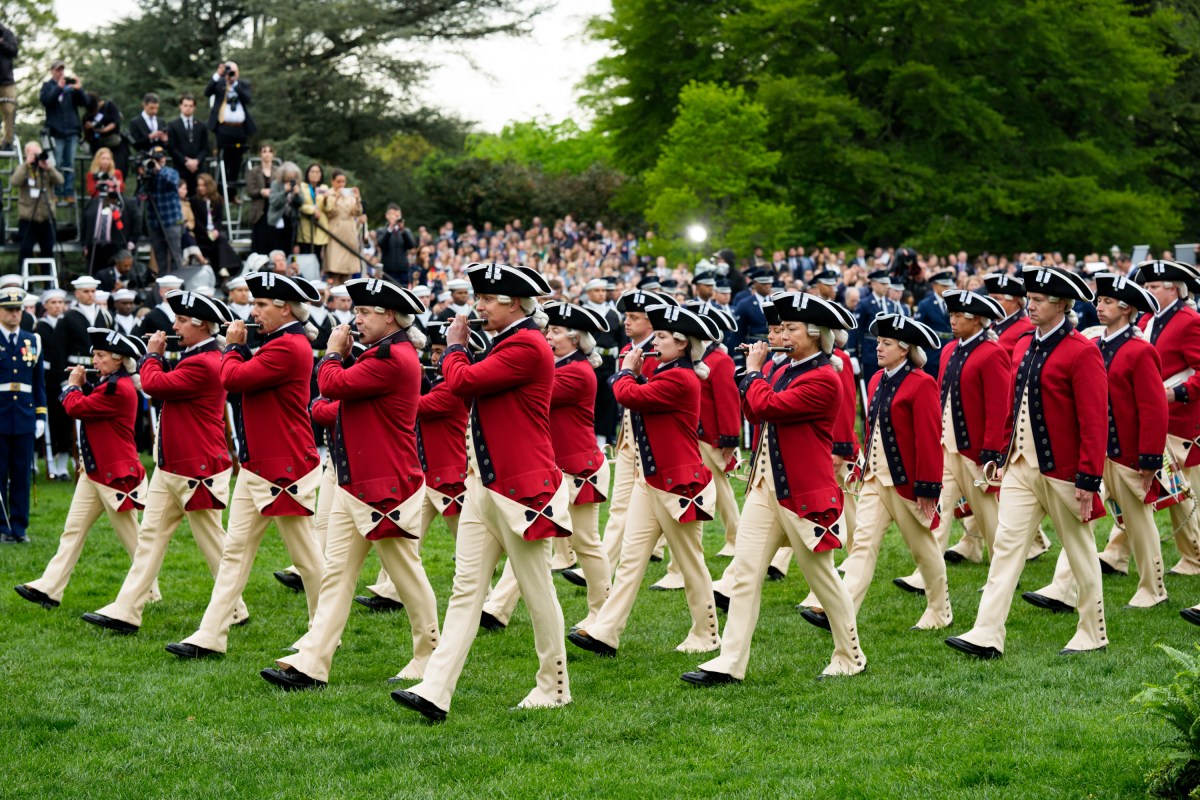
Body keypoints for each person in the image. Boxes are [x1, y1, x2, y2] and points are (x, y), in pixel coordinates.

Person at [392, 262, 573, 722]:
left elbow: (462, 382)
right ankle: (436, 689)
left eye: (487, 300)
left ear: (513, 302)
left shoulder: (528, 345)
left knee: (537, 591)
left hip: (521, 490)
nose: (478, 307)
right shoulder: (510, 343)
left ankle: (554, 686)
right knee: (465, 589)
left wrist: (454, 346)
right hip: (487, 485)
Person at [260, 279, 440, 690]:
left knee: (406, 576)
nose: (355, 319)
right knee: (337, 574)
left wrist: (332, 353)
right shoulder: (382, 352)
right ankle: (312, 662)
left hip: (384, 486)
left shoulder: (394, 357)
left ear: (389, 316)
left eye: (365, 312)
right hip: (357, 482)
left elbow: (332, 385)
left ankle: (430, 653)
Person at [683, 292, 865, 687]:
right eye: (780, 329)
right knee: (745, 573)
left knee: (823, 581)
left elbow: (769, 407)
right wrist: (753, 374)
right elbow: (754, 409)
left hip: (802, 492)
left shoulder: (824, 378)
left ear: (816, 336)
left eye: (791, 329)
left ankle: (850, 655)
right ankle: (730, 660)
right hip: (767, 488)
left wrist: (753, 372)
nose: (781, 334)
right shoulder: (784, 369)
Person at [946, 265, 1108, 659]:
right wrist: (1001, 455)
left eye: (1037, 300)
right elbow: (1014, 406)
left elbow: (1093, 418)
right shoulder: (1023, 345)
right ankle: (987, 632)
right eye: (1030, 298)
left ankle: (1093, 630)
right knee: (1005, 546)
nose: (1029, 306)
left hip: (1064, 471)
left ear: (1061, 304)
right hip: (1020, 466)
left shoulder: (1082, 351)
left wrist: (1089, 477)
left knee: (1080, 550)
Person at [166, 272, 325, 660]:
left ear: (284, 308)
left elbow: (232, 379)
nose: (252, 312)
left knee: (307, 559)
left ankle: (323, 633)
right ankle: (211, 633)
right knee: (235, 551)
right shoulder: (278, 342)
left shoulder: (289, 345)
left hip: (284, 468)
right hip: (261, 465)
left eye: (260, 305)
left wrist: (233, 346)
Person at [82, 290, 249, 634]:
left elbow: (154, 386)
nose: (173, 326)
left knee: (212, 542)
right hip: (173, 465)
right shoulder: (198, 354)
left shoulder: (204, 361)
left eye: (180, 321)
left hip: (197, 467)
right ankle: (127, 609)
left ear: (201, 325)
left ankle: (234, 606)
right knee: (149, 540)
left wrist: (152, 354)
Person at [567, 302, 722, 659]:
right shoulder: (668, 371)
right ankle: (607, 630)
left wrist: (626, 370)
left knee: (691, 562)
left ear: (682, 344)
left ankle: (707, 632)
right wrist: (631, 372)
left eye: (664, 336)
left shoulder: (680, 377)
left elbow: (627, 395)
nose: (657, 341)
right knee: (631, 560)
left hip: (679, 484)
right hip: (652, 479)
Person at [1021, 273, 1168, 613]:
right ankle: (1063, 588)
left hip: (1129, 453)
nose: (1099, 307)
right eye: (1099, 301)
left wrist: (1149, 458)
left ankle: (1153, 587)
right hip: (1096, 453)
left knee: (1139, 523)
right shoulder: (1094, 346)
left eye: (1106, 302)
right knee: (1079, 517)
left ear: (1127, 308)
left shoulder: (1139, 350)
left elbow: (1153, 408)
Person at [806, 314, 951, 632]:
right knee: (862, 545)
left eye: (886, 343)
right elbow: (872, 430)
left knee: (923, 549)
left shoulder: (922, 383)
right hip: (875, 479)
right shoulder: (875, 380)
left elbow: (928, 439)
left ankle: (940, 610)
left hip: (907, 484)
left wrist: (928, 488)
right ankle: (842, 611)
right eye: (879, 343)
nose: (879, 348)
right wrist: (864, 466)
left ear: (904, 349)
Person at [479, 301, 614, 632]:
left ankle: (602, 613)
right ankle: (498, 608)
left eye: (555, 332)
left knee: (585, 544)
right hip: (561, 469)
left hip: (579, 470)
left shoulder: (577, 372)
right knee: (527, 535)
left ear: (576, 339)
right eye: (548, 330)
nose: (548, 336)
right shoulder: (560, 367)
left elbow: (524, 390)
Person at [14, 327, 150, 608]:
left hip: (114, 474)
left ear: (118, 360)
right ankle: (50, 587)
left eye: (101, 356)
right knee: (72, 531)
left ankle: (149, 590)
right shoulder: (112, 383)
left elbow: (77, 408)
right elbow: (94, 401)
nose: (95, 361)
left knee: (133, 540)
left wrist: (74, 385)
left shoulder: (117, 388)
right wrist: (85, 385)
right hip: (96, 471)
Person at [892, 290, 1010, 595]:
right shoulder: (949, 350)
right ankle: (925, 573)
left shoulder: (992, 352)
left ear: (977, 320)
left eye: (959, 316)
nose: (952, 320)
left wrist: (991, 451)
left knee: (988, 516)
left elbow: (998, 407)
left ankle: (1004, 574)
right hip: (948, 446)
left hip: (974, 452)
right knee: (937, 511)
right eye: (953, 314)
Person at [1101, 260, 1200, 576]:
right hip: (1147, 419)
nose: (1149, 291)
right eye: (1148, 286)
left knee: (1177, 492)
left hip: (1181, 422)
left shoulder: (1189, 320)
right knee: (1133, 490)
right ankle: (1117, 554)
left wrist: (1178, 393)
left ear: (1175, 289)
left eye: (1156, 286)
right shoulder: (1146, 319)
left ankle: (1193, 556)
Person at [0, 288, 47, 544]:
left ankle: (19, 527)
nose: (15, 314)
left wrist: (41, 416)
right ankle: (2, 525)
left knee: (21, 474)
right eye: (9, 309)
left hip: (25, 416)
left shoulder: (33, 340)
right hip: (1, 415)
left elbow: (39, 383)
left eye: (18, 309)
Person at [205, 61, 256, 195]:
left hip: (240, 129)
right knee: (223, 161)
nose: (231, 74)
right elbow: (207, 92)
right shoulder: (220, 84)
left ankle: (232, 194)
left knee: (236, 161)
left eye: (233, 71)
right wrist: (218, 74)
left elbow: (247, 99)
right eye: (229, 71)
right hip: (223, 129)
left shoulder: (243, 84)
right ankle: (221, 193)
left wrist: (235, 84)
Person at [39, 60, 85, 205]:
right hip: (56, 132)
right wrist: (58, 88)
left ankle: (68, 192)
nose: (61, 72)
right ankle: (56, 191)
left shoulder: (70, 88)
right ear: (52, 71)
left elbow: (85, 102)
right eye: (58, 70)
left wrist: (79, 89)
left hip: (71, 131)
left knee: (69, 162)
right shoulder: (47, 86)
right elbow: (46, 101)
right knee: (56, 163)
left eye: (62, 70)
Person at [36, 289, 71, 481]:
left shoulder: (66, 323)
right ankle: (49, 463)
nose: (58, 305)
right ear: (46, 306)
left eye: (60, 302)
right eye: (53, 302)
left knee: (65, 422)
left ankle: (63, 467)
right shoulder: (40, 327)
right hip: (48, 378)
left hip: (66, 376)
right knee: (52, 422)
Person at [12, 141, 64, 266]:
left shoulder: (46, 168)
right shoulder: (23, 168)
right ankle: (24, 282)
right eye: (32, 153)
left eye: (37, 152)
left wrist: (49, 168)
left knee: (48, 251)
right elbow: (14, 181)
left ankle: (48, 284)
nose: (36, 155)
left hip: (47, 218)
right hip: (28, 218)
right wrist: (26, 165)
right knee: (25, 250)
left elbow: (60, 180)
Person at [138, 146, 183, 274]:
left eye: (158, 159)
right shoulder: (148, 176)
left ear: (163, 159)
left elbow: (173, 181)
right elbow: (140, 197)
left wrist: (159, 169)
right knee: (160, 258)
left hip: (171, 221)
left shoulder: (171, 172)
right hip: (154, 222)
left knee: (175, 255)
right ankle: (164, 286)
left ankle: (178, 284)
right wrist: (142, 177)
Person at [319, 170, 363, 283]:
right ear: (332, 181)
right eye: (338, 181)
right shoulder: (328, 194)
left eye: (343, 181)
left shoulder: (349, 195)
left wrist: (357, 199)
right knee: (335, 269)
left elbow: (357, 212)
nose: (341, 184)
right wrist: (336, 198)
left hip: (349, 233)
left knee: (348, 270)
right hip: (335, 232)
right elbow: (329, 211)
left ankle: (345, 296)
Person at [191, 172, 239, 275]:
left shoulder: (217, 200)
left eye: (203, 185)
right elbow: (197, 222)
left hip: (215, 233)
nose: (201, 188)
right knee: (221, 241)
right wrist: (207, 232)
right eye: (199, 185)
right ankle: (225, 269)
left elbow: (219, 219)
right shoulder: (194, 201)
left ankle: (223, 269)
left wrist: (216, 230)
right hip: (202, 235)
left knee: (220, 239)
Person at [913, 270, 956, 376]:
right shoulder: (925, 304)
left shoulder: (953, 303)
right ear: (935, 286)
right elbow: (918, 331)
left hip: (950, 349)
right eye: (944, 285)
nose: (947, 288)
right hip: (932, 352)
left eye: (949, 285)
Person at [166, 93, 208, 198]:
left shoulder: (201, 125)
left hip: (198, 169)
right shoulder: (173, 125)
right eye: (185, 105)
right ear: (180, 106)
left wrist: (197, 161)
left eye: (190, 106)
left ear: (194, 107)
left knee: (198, 198)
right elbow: (172, 147)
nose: (188, 108)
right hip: (181, 168)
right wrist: (186, 161)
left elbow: (205, 147)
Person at [245, 143, 282, 255]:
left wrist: (273, 193)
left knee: (274, 240)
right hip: (260, 210)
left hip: (274, 209)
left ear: (273, 154)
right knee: (260, 242)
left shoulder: (278, 171)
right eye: (264, 151)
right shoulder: (254, 171)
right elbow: (250, 190)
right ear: (260, 154)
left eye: (269, 151)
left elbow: (282, 188)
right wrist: (261, 192)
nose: (267, 154)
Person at [82, 93, 126, 174]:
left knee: (118, 169)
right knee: (98, 170)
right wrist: (88, 128)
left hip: (114, 143)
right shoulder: (88, 114)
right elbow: (86, 135)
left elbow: (115, 122)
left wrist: (103, 130)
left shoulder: (109, 106)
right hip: (97, 144)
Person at [267, 161, 303, 255]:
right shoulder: (276, 184)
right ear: (283, 176)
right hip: (276, 221)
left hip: (291, 221)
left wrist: (297, 194)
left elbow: (301, 202)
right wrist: (284, 192)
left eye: (293, 178)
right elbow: (274, 202)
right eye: (288, 178)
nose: (290, 180)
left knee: (290, 249)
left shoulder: (297, 184)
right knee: (277, 249)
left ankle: (289, 267)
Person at [296, 163, 329, 263]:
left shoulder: (324, 188)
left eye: (317, 172)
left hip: (320, 227)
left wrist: (326, 199)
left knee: (318, 256)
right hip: (306, 226)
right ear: (307, 174)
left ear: (321, 175)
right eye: (312, 172)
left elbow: (328, 208)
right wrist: (312, 210)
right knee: (306, 256)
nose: (315, 174)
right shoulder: (302, 186)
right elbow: (299, 204)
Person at [376, 204, 416, 286]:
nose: (396, 218)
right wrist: (390, 228)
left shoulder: (406, 231)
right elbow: (381, 244)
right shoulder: (382, 230)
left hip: (403, 270)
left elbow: (411, 245)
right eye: (393, 215)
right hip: (388, 271)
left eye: (398, 215)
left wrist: (403, 231)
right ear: (387, 216)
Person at [0, 24, 15, 151]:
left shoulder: (7, 33)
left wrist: (2, 43)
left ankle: (8, 141)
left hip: (6, 82)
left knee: (8, 110)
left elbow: (14, 51)